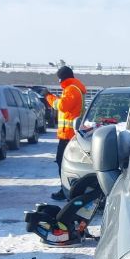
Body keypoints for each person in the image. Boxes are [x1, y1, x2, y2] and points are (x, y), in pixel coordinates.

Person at [42, 66, 86, 201]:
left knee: (63, 163)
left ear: (62, 78)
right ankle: (67, 189)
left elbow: (62, 106)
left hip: (69, 135)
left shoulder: (72, 89)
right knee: (62, 162)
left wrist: (48, 97)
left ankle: (66, 190)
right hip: (68, 134)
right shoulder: (72, 88)